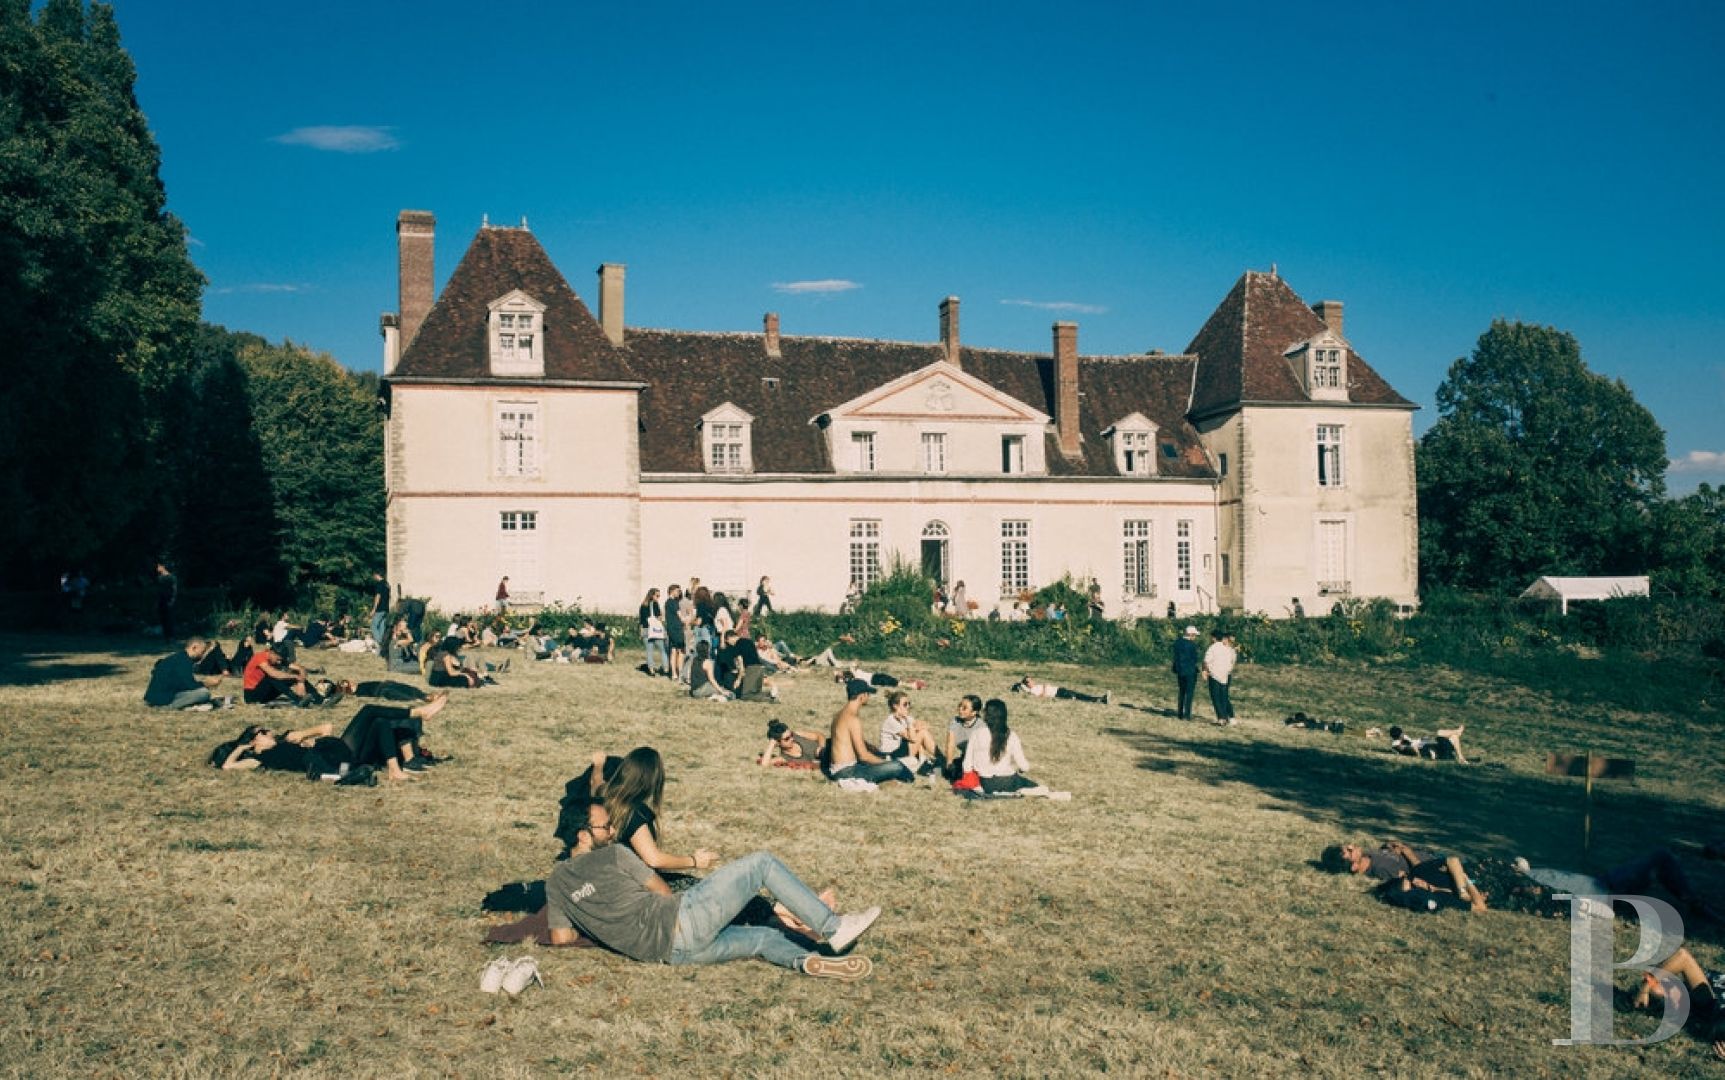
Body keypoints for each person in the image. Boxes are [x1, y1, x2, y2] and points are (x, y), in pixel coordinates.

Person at [544, 799, 879, 979]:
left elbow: (563, 940)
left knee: (762, 938)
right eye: (606, 826)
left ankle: (805, 961)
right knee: (760, 864)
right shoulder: (616, 856)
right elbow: (662, 891)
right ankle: (834, 928)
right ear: (584, 835)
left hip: (673, 956)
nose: (614, 830)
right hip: (680, 921)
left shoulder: (555, 884)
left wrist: (600, 919)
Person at [592, 747, 719, 875]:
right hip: (633, 882)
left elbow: (596, 782)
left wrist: (598, 766)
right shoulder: (634, 814)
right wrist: (694, 861)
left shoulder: (603, 794)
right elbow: (653, 859)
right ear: (652, 782)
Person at [1624, 946, 1725, 1060]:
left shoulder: (1702, 992)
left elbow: (1682, 956)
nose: (1669, 1000)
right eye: (1664, 1002)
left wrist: (1646, 986)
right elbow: (1682, 957)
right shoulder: (1706, 1001)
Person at [959, 698, 1071, 799]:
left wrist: (973, 781)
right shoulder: (1011, 735)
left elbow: (967, 764)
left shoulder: (977, 733)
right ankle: (1035, 792)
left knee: (1023, 786)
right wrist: (1021, 770)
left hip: (986, 783)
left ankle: (1007, 793)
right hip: (1009, 780)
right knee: (1035, 786)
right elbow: (1024, 766)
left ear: (987, 715)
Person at [826, 680, 912, 786]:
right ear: (862, 696)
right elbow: (863, 756)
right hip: (847, 772)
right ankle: (909, 778)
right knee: (897, 766)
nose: (868, 697)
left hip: (838, 769)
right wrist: (886, 763)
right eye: (868, 694)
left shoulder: (839, 714)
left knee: (885, 760)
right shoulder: (852, 719)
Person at [144, 637, 228, 710]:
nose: (202, 656)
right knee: (204, 693)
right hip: (162, 700)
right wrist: (207, 683)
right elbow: (190, 686)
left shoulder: (179, 658)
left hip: (157, 697)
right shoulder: (184, 661)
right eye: (202, 652)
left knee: (202, 692)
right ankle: (171, 706)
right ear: (194, 647)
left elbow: (183, 684)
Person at [879, 691, 939, 772]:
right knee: (921, 733)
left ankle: (927, 761)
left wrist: (915, 727)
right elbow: (913, 738)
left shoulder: (906, 718)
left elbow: (926, 726)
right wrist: (911, 724)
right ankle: (941, 759)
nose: (908, 706)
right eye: (905, 704)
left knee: (922, 731)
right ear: (895, 706)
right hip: (891, 755)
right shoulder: (891, 721)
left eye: (909, 703)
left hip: (900, 750)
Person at [242, 643, 315, 706]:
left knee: (294, 673)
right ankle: (298, 699)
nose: (279, 662)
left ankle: (318, 699)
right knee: (272, 677)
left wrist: (301, 679)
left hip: (266, 693)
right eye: (278, 659)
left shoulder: (275, 658)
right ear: (272, 653)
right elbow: (274, 674)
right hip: (252, 695)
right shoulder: (259, 657)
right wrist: (295, 677)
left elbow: (299, 668)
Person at [942, 695, 984, 782]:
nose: (960, 709)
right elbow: (950, 743)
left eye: (964, 708)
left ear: (974, 712)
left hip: (978, 761)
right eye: (960, 705)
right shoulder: (955, 721)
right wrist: (949, 764)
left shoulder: (981, 726)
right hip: (965, 758)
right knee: (949, 772)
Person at [1201, 629, 1237, 726]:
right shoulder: (1228, 649)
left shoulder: (1213, 647)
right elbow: (1231, 662)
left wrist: (1205, 671)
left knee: (1215, 697)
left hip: (1214, 675)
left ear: (1214, 638)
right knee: (1223, 697)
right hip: (1225, 675)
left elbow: (1206, 661)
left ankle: (1221, 718)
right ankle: (1226, 717)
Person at [1387, 724, 1470, 763]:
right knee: (1439, 732)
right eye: (1402, 733)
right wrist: (1419, 748)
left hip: (1429, 745)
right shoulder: (1397, 744)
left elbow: (1412, 743)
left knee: (1454, 737)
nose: (1403, 734)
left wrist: (1421, 739)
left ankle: (1461, 757)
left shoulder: (1403, 739)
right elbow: (1412, 750)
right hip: (1431, 750)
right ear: (1399, 735)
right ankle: (1458, 731)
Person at [759, 720, 826, 767]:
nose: (792, 739)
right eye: (787, 738)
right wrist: (772, 743)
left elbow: (819, 735)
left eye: (791, 735)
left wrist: (822, 747)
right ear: (778, 743)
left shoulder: (797, 734)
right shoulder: (785, 757)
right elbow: (764, 764)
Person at [1010, 675, 1109, 705]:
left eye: (1031, 680)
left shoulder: (1034, 687)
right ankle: (1100, 700)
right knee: (1079, 697)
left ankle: (1100, 699)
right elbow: (1041, 697)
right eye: (1029, 681)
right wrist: (1044, 688)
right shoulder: (1032, 691)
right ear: (1027, 684)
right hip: (1057, 693)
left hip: (1059, 690)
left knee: (1080, 695)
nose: (1032, 682)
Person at [1171, 625, 1201, 720]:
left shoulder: (1177, 643)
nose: (1195, 637)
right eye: (1194, 635)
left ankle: (1180, 713)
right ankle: (1187, 714)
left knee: (1182, 692)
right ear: (1191, 634)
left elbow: (1175, 657)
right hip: (1190, 671)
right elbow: (1195, 658)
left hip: (1180, 670)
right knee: (1189, 693)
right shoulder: (1192, 645)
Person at [639, 588, 669, 676]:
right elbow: (659, 617)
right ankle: (666, 669)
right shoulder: (655, 604)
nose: (658, 597)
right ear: (652, 595)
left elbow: (641, 620)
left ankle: (651, 670)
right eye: (657, 595)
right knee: (662, 650)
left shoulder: (643, 605)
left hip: (645, 629)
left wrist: (640, 632)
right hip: (655, 631)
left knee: (649, 651)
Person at [664, 583, 688, 683]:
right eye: (678, 591)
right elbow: (681, 617)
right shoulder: (674, 602)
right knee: (681, 652)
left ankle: (673, 674)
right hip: (677, 629)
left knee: (673, 651)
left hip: (671, 629)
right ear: (672, 591)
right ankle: (680, 673)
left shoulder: (667, 602)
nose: (679, 593)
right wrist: (689, 619)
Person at [154, 562, 178, 640]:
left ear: (163, 567)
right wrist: (157, 601)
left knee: (169, 618)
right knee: (163, 618)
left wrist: (172, 600)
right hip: (161, 601)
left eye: (158, 566)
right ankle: (166, 636)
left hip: (168, 600)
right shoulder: (159, 578)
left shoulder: (171, 577)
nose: (157, 568)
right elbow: (158, 591)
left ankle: (171, 636)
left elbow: (174, 590)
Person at [369, 571, 391, 648]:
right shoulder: (387, 584)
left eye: (374, 575)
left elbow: (378, 597)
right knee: (381, 627)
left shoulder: (379, 584)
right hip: (386, 609)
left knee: (373, 626)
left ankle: (380, 642)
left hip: (380, 609)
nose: (374, 577)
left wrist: (373, 609)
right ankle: (382, 644)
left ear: (377, 575)